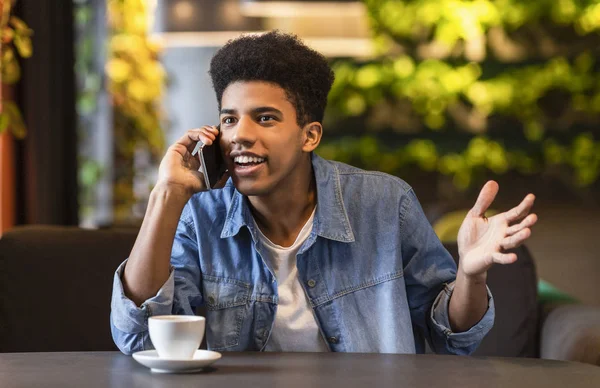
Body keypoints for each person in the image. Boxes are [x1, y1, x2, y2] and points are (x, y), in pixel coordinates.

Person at [110, 31, 537, 355]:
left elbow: (452, 336)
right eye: (228, 119)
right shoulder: (200, 215)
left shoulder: (386, 203)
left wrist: (471, 274)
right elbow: (139, 336)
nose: (239, 135)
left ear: (309, 135)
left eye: (265, 118)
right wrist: (167, 194)